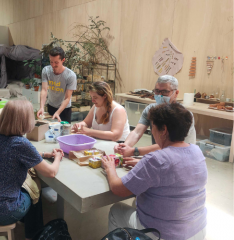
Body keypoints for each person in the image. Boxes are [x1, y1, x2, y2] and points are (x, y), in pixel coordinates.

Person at [102, 103, 207, 240]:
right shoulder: (196, 151)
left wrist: (110, 168)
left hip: (165, 234)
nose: (152, 132)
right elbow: (175, 168)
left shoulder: (156, 160)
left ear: (163, 130)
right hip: (197, 230)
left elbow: (118, 189)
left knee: (116, 211)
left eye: (153, 128)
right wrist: (143, 164)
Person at [0, 99, 64, 240]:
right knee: (34, 190)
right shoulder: (21, 143)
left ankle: (26, 222)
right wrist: (57, 157)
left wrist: (45, 154)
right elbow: (51, 172)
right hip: (1, 213)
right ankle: (34, 235)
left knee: (26, 187)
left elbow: (20, 154)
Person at [114, 75, 196, 157]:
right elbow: (137, 132)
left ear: (176, 93)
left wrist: (134, 151)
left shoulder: (183, 115)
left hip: (180, 157)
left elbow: (171, 145)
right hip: (160, 155)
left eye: (164, 92)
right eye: (157, 91)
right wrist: (124, 146)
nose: (160, 95)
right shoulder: (151, 110)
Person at [37, 47, 77, 123]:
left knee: (64, 132)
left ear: (63, 60)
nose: (53, 65)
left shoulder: (71, 75)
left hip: (64, 109)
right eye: (51, 62)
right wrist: (41, 107)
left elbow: (67, 98)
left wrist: (58, 112)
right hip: (51, 106)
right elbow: (44, 90)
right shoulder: (46, 70)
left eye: (56, 62)